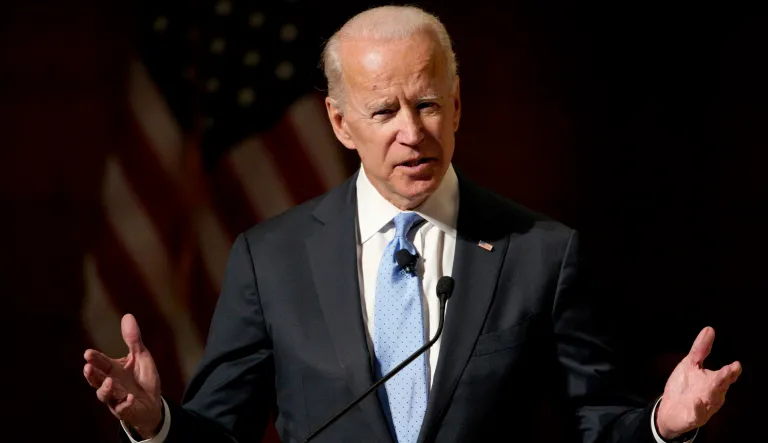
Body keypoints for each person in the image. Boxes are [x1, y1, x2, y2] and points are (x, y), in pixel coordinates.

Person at [83, 6, 741, 443]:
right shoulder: (270, 257)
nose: (412, 132)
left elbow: (596, 421)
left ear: (455, 107)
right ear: (341, 123)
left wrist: (662, 421)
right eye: (385, 110)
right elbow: (221, 430)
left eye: (428, 104)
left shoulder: (541, 253)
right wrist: (158, 422)